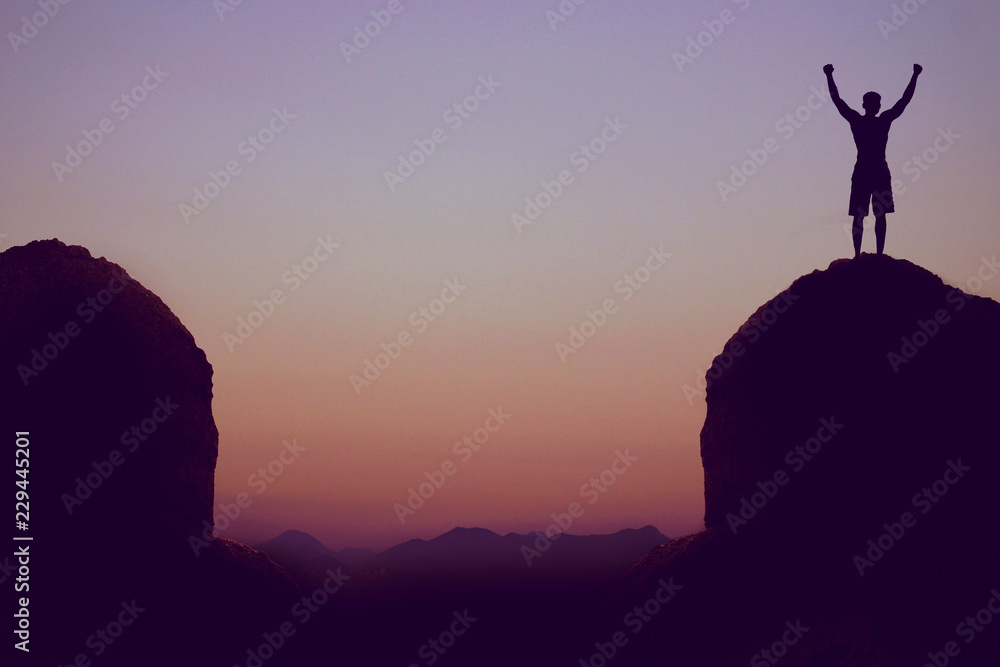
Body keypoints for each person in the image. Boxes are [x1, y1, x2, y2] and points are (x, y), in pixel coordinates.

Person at [824, 63, 922, 258]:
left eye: (876, 103)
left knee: (876, 214)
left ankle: (870, 255)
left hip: (874, 170)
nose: (875, 106)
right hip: (870, 169)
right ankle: (861, 255)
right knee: (867, 215)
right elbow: (838, 101)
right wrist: (915, 75)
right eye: (874, 103)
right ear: (870, 106)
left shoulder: (871, 120)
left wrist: (915, 76)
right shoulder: (868, 120)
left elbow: (904, 101)